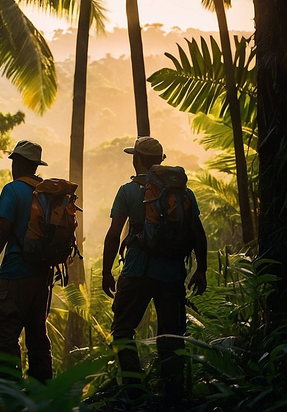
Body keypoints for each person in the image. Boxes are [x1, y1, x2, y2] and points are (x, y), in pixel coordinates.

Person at [102, 137, 207, 402]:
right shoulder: (183, 193)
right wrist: (201, 269)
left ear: (136, 159)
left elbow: (114, 234)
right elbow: (198, 232)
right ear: (161, 160)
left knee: (123, 330)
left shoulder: (127, 191)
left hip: (137, 270)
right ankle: (173, 394)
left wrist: (106, 271)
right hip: (171, 273)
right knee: (172, 335)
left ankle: (135, 392)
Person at [0, 140, 53, 383]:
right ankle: (43, 390)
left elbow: (4, 230)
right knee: (37, 333)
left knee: (7, 331)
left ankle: (9, 390)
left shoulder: (12, 190)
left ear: (18, 162)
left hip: (15, 270)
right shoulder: (48, 193)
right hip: (43, 273)